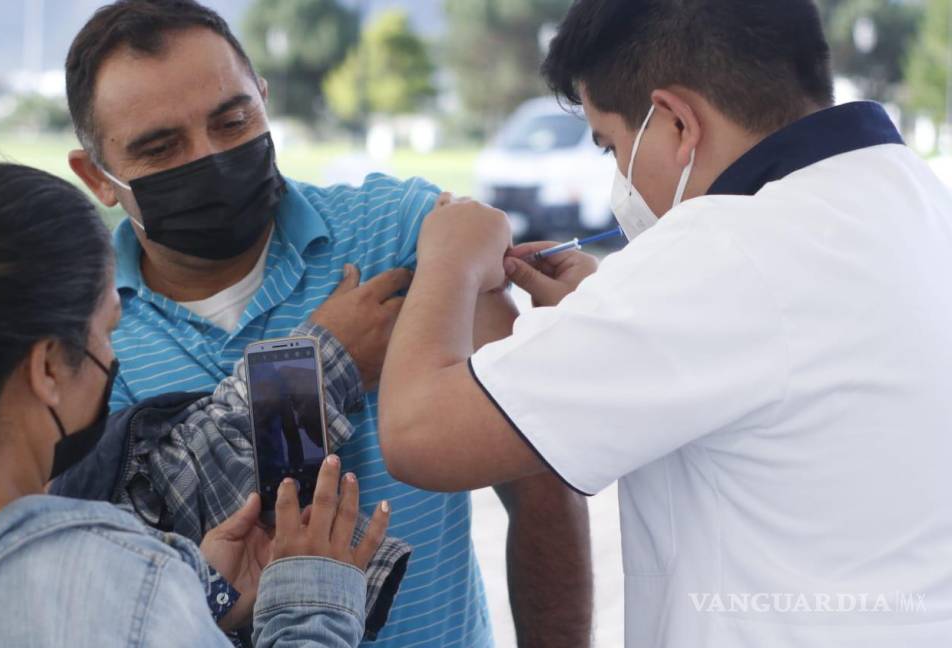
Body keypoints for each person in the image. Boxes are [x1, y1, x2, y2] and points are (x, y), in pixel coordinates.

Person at [378, 0, 952, 646]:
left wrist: (449, 261)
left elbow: (418, 432)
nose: (619, 182)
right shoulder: (913, 196)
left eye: (612, 146)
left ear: (677, 121)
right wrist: (606, 317)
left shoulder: (728, 251)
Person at [62, 2, 591, 646]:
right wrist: (314, 366)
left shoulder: (400, 234)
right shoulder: (84, 339)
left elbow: (540, 484)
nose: (210, 157)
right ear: (98, 177)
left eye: (233, 120)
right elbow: (124, 577)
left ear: (263, 98)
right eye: (160, 147)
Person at [0, 162, 389, 648]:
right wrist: (311, 602)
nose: (113, 355)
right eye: (107, 328)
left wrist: (195, 594)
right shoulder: (100, 583)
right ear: (50, 366)